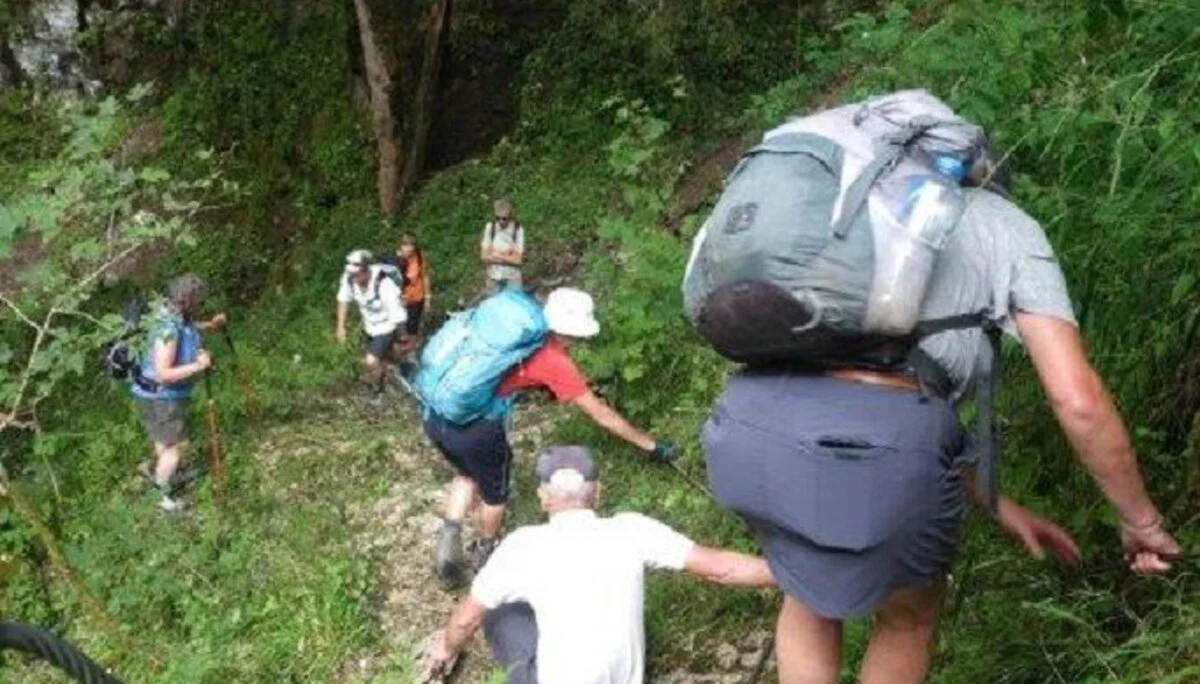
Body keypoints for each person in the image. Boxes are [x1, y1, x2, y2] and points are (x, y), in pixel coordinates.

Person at [702, 185, 1180, 684]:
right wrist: (1141, 522)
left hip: (747, 426)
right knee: (906, 620)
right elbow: (1076, 400)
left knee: (808, 591)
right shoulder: (1004, 223)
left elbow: (904, 416)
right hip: (870, 450)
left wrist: (996, 502)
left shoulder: (840, 205)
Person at [422, 445, 775, 684]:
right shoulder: (633, 529)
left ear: (543, 497)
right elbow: (720, 567)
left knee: (497, 611)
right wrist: (791, 575)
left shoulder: (522, 547)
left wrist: (446, 649)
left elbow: (467, 617)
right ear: (598, 492)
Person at [426, 287, 677, 585]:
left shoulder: (515, 333)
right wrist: (651, 446)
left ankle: (449, 536)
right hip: (478, 428)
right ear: (572, 332)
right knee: (495, 493)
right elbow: (602, 415)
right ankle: (486, 550)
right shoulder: (554, 358)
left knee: (468, 474)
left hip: (437, 413)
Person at [131, 274, 225, 512]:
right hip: (162, 397)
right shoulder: (169, 329)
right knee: (177, 447)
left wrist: (210, 325)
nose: (200, 304)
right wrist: (199, 366)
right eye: (198, 301)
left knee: (164, 442)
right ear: (188, 301)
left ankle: (163, 476)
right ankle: (162, 495)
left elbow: (189, 328)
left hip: (151, 394)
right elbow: (164, 372)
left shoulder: (172, 315)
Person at [334, 249, 407, 405]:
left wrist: (402, 336)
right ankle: (395, 369)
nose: (353, 277)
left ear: (366, 269)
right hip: (370, 326)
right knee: (385, 358)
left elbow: (396, 314)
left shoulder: (384, 284)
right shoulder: (349, 279)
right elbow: (343, 300)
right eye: (351, 274)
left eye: (356, 274)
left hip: (388, 325)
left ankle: (378, 392)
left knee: (371, 361)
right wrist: (341, 327)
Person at [396, 234, 431, 374]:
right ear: (401, 246)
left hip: (417, 299)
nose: (409, 248)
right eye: (406, 245)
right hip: (400, 302)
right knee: (400, 331)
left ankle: (410, 357)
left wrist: (428, 296)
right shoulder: (396, 261)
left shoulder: (419, 257)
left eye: (411, 245)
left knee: (413, 329)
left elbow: (425, 276)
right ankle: (400, 359)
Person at [480, 198, 524, 294]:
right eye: (497, 218)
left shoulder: (517, 229)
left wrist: (496, 255)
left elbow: (518, 260)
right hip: (493, 276)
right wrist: (508, 256)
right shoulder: (490, 227)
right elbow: (484, 256)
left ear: (510, 216)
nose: (500, 221)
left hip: (512, 277)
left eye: (504, 218)